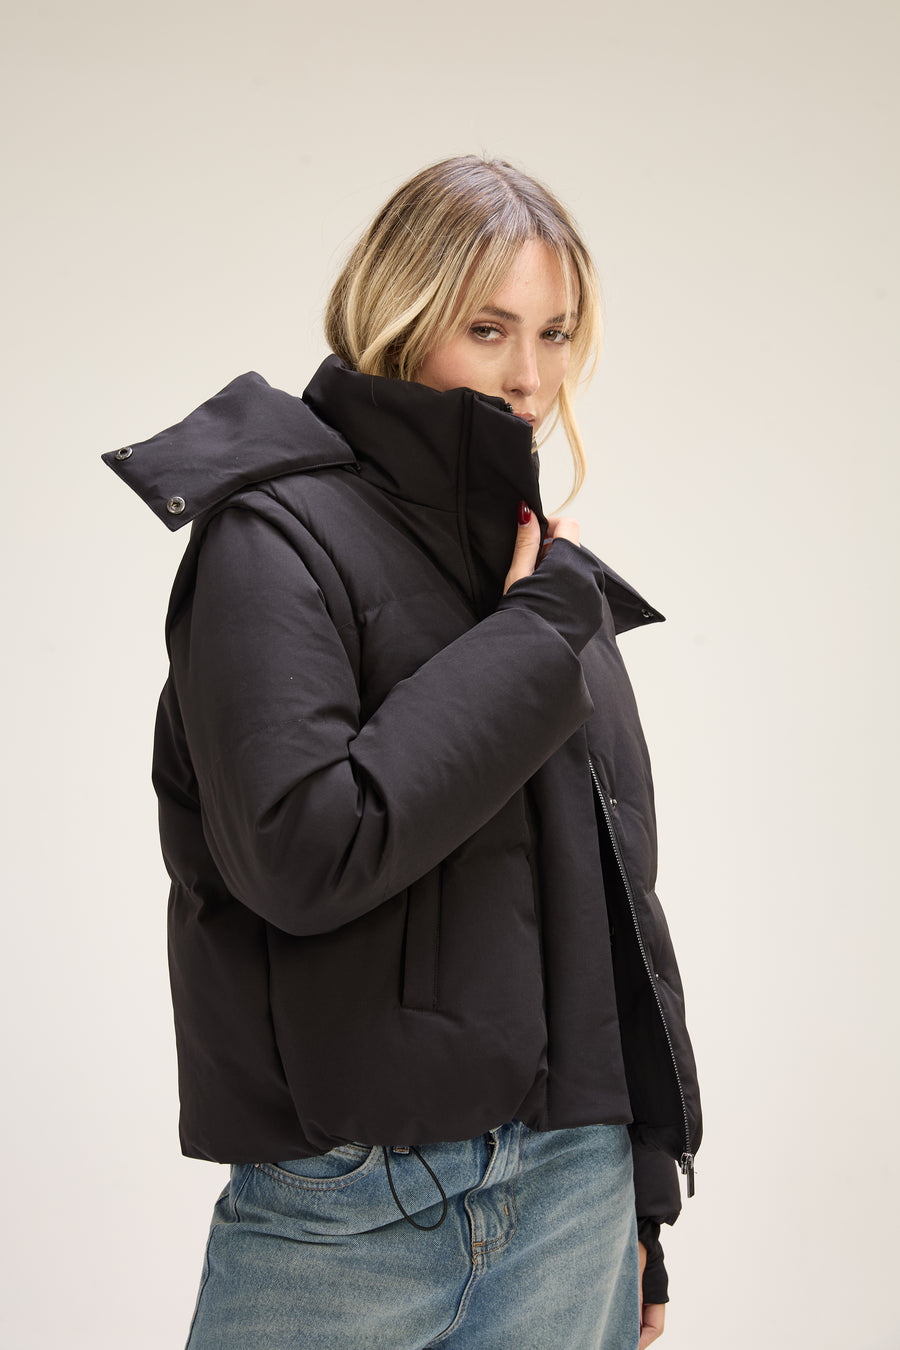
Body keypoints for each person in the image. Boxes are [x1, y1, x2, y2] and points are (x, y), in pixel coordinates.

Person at [103, 155, 701, 1350]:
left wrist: (641, 1195)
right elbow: (303, 854)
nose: (529, 377)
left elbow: (609, 899)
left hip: (574, 1197)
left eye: (555, 334)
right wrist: (533, 637)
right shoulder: (273, 535)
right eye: (488, 329)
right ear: (399, 313)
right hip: (349, 1209)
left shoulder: (537, 570)